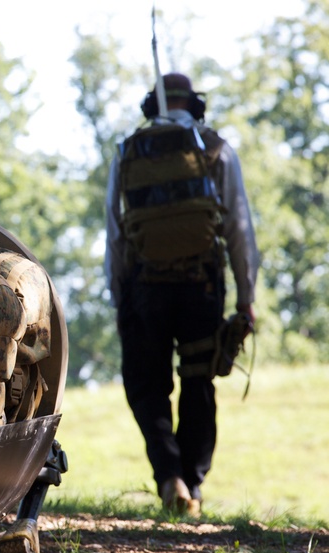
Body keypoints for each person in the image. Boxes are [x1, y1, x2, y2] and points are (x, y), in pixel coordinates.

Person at [105, 72, 259, 517]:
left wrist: (120, 294)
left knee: (147, 385)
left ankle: (169, 476)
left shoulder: (127, 150)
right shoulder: (216, 148)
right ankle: (193, 480)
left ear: (151, 106)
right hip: (201, 284)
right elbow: (239, 231)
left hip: (144, 287)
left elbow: (115, 233)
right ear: (195, 105)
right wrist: (246, 298)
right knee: (198, 380)